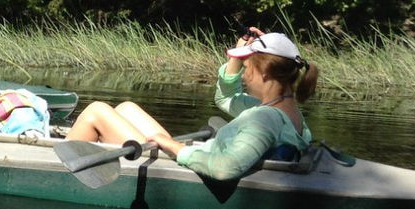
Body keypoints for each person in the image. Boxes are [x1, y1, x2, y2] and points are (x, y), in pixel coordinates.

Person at [65, 28, 319, 181]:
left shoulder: (264, 119)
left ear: (264, 73)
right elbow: (226, 98)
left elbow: (225, 168)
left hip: (190, 164)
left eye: (246, 67)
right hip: (199, 155)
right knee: (126, 108)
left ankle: (59, 173)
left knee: (96, 110)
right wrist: (241, 54)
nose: (242, 74)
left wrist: (172, 145)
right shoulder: (287, 112)